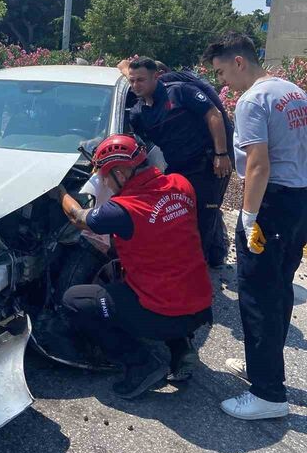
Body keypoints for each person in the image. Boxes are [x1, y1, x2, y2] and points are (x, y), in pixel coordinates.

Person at [52, 134, 213, 399]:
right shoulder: (181, 184)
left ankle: (141, 364)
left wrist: (59, 192)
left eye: (105, 176)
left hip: (164, 311)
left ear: (122, 173)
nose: (103, 183)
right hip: (200, 304)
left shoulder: (122, 209)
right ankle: (180, 346)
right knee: (156, 277)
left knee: (75, 300)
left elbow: (77, 217)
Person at [203, 33, 307, 420]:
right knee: (278, 288)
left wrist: (248, 218)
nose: (223, 82)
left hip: (271, 204)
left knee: (258, 296)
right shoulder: (293, 91)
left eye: (222, 71)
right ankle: (263, 365)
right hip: (299, 201)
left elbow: (258, 165)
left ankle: (267, 394)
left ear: (239, 62)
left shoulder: (252, 101)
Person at [125, 57, 233, 268]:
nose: (136, 85)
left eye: (141, 80)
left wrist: (221, 154)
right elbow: (141, 144)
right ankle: (212, 254)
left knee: (204, 217)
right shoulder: (138, 113)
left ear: (156, 77)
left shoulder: (180, 92)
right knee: (181, 218)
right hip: (176, 169)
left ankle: (200, 272)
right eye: (132, 81)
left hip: (206, 166)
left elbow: (214, 115)